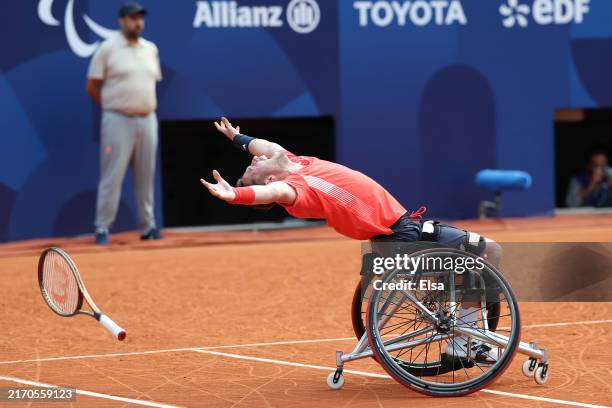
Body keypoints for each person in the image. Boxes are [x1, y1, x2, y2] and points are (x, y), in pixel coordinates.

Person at [201, 117, 503, 363]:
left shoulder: (297, 162)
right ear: (269, 178)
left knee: (488, 253)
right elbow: (272, 194)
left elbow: (264, 146)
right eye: (252, 168)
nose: (254, 161)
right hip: (400, 237)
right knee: (478, 260)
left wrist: (237, 139)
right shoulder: (295, 188)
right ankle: (464, 342)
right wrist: (236, 195)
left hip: (404, 228)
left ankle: (473, 336)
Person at [86, 2, 162, 244]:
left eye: (140, 18)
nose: (137, 22)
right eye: (132, 18)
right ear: (121, 21)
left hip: (148, 118)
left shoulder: (150, 49)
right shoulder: (108, 48)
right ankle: (102, 228)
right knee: (112, 176)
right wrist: (112, 106)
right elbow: (92, 85)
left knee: (146, 175)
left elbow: (151, 82)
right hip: (117, 119)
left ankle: (148, 227)